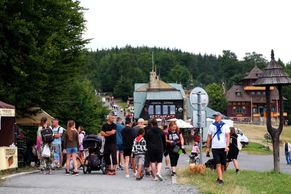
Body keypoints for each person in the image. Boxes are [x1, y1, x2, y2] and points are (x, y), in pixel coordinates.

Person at [206, 112, 230, 185]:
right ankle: (221, 180)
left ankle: (219, 177)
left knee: (223, 164)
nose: (216, 117)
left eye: (217, 116)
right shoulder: (211, 126)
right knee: (218, 164)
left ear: (221, 117)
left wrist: (227, 146)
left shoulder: (225, 125)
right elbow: (209, 137)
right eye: (215, 116)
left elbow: (227, 136)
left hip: (223, 147)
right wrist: (207, 147)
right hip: (215, 148)